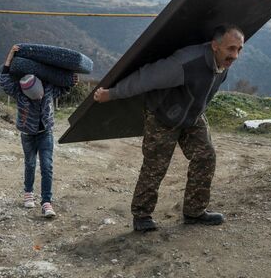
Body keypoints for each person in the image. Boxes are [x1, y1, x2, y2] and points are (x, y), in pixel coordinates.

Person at [93, 25, 244, 231]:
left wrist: (195, 114)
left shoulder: (223, 66)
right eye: (231, 48)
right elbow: (145, 78)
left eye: (239, 49)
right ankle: (142, 216)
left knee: (206, 156)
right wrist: (111, 94)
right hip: (162, 116)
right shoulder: (186, 63)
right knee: (155, 167)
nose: (235, 55)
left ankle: (194, 212)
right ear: (215, 46)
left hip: (192, 116)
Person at [0, 44, 77, 218]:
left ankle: (46, 203)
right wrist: (10, 55)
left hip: (46, 133)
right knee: (30, 164)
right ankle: (28, 192)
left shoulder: (48, 88)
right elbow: (3, 79)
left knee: (47, 167)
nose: (39, 98)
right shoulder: (18, 92)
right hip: (27, 134)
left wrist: (71, 81)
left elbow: (64, 88)